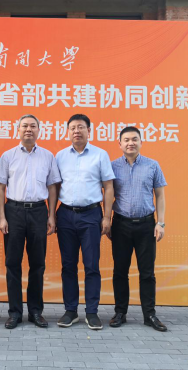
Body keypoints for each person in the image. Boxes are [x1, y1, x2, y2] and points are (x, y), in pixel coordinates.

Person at [0, 115, 62, 330]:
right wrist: (2, 217)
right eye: (24, 126)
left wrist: (51, 215)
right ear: (18, 130)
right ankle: (14, 312)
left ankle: (35, 311)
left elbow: (52, 187)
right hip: (13, 211)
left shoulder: (48, 156)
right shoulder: (8, 156)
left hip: (38, 211)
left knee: (38, 264)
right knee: (12, 263)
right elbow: (0, 188)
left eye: (33, 126)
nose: (28, 129)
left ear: (39, 130)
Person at [55, 114, 115, 331]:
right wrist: (52, 215)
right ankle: (70, 310)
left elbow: (109, 186)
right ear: (68, 131)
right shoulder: (60, 156)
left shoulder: (100, 154)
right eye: (73, 128)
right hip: (65, 215)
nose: (77, 131)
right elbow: (55, 187)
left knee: (91, 265)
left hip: (91, 215)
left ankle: (92, 312)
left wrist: (106, 217)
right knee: (68, 265)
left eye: (81, 127)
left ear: (89, 130)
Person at [110, 126, 168, 332]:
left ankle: (149, 314)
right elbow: (107, 195)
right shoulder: (112, 167)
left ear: (141, 142)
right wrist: (106, 220)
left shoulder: (152, 165)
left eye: (134, 139)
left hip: (146, 225)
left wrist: (160, 223)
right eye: (126, 140)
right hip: (120, 224)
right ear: (120, 144)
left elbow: (160, 195)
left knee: (147, 272)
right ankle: (120, 312)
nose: (130, 143)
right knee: (120, 271)